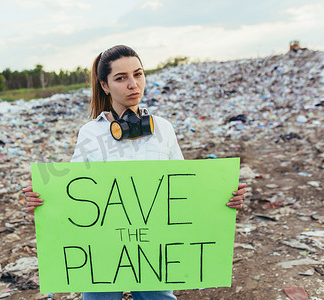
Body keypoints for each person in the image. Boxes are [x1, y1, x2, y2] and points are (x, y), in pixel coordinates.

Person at [23, 45, 247, 300]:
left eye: (138, 74)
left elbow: (185, 187)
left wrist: (223, 196)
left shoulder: (163, 129)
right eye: (121, 78)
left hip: (154, 244)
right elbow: (74, 191)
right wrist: (42, 200)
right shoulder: (90, 133)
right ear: (105, 85)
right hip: (103, 245)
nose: (133, 84)